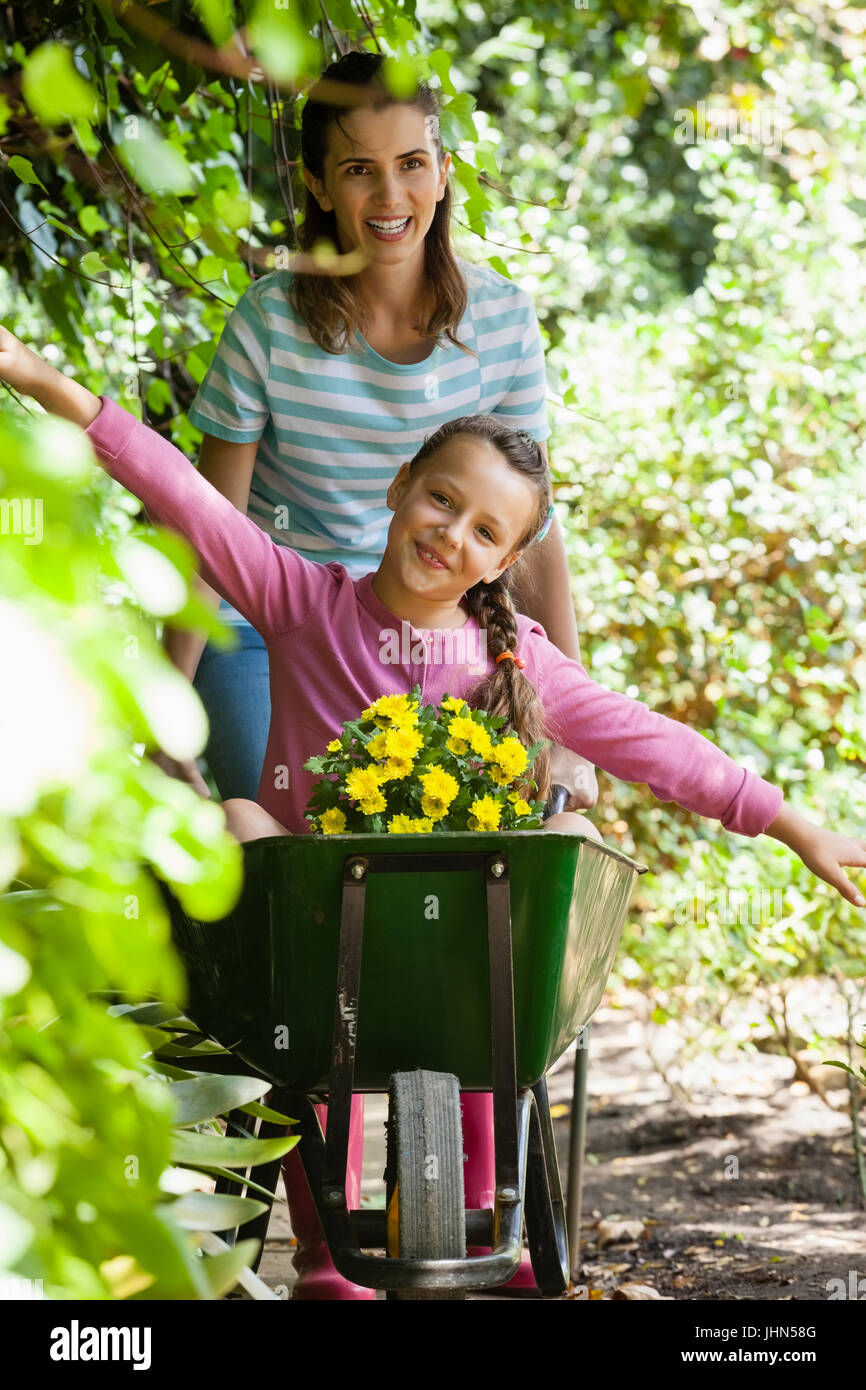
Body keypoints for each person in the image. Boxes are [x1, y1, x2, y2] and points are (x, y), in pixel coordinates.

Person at [4, 330, 865, 1305]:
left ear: (502, 561)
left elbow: (650, 742)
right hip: (318, 934)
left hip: (467, 950)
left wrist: (790, 822)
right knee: (244, 818)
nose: (451, 534)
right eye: (441, 499)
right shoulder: (302, 602)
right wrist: (38, 377)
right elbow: (186, 497)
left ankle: (487, 1216)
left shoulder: (515, 662)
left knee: (560, 843)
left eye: (484, 531)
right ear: (399, 486)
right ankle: (329, 1250)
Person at [159, 47, 598, 816]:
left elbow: (535, 531)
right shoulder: (269, 322)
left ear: (444, 169)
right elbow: (208, 532)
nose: (391, 194)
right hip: (271, 628)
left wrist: (571, 730)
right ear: (320, 185)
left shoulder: (501, 320)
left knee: (459, 840)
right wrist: (164, 727)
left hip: (434, 623)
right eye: (360, 169)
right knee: (301, 828)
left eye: (412, 163)